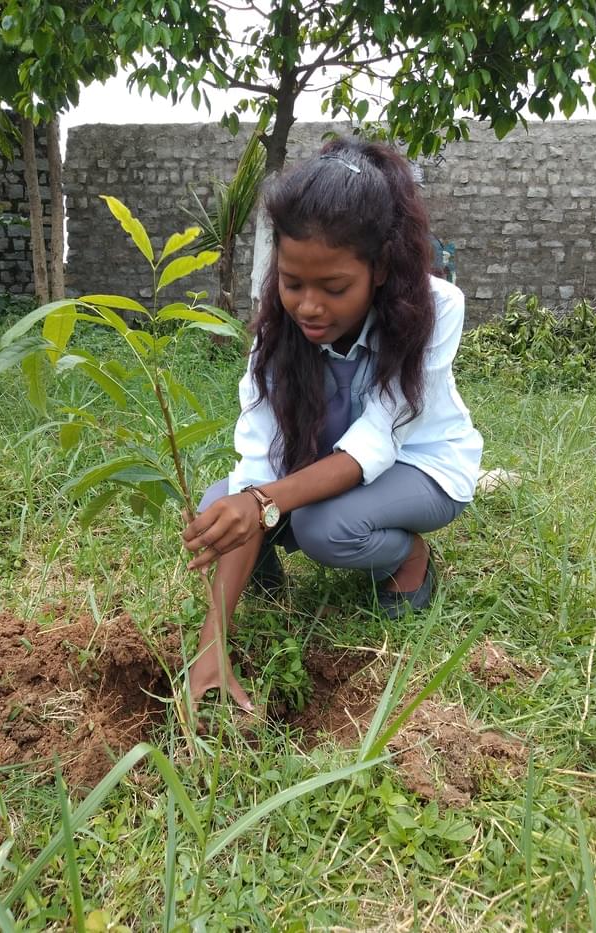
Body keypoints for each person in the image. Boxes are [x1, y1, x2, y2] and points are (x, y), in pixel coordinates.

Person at [182, 138, 483, 712]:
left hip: (421, 466)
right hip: (324, 471)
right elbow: (257, 468)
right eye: (292, 283)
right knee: (219, 504)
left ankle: (408, 557)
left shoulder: (435, 309)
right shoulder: (277, 336)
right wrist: (211, 645)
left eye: (334, 288)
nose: (309, 307)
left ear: (381, 268)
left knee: (325, 527)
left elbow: (377, 440)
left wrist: (262, 504)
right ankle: (264, 581)